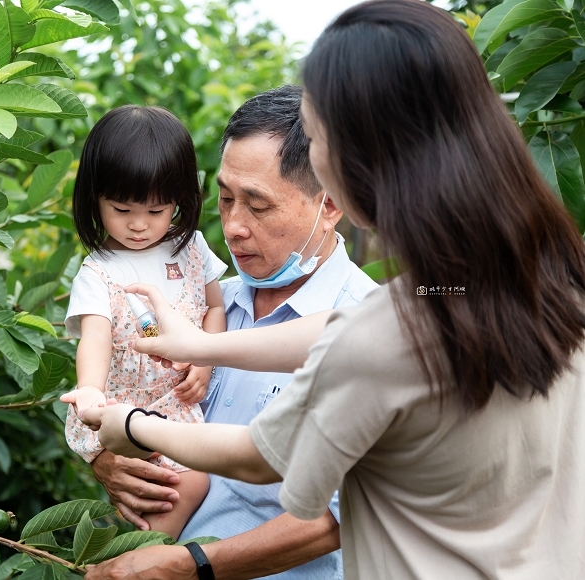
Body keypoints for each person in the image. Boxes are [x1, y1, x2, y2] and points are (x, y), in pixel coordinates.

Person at [82, 1, 585, 578]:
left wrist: (131, 424)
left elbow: (260, 456)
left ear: (343, 184)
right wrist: (195, 351)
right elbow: (346, 330)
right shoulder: (539, 283)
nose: (234, 223)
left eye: (320, 138)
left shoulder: (387, 332)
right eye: (224, 198)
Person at [86, 85, 377, 580]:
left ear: (329, 204)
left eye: (257, 206)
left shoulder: (369, 326)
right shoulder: (198, 305)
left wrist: (187, 566)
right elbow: (125, 392)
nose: (234, 226)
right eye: (224, 199)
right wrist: (109, 461)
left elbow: (338, 517)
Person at [60, 105, 228, 539]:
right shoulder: (99, 271)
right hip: (125, 405)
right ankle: (148, 555)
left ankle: (143, 556)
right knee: (180, 483)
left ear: (180, 201)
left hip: (178, 400)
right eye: (121, 209)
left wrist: (205, 360)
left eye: (156, 212)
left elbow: (214, 308)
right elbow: (95, 339)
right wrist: (92, 391)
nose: (138, 226)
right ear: (93, 198)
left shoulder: (190, 249)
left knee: (178, 486)